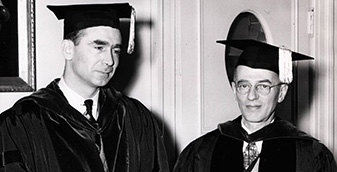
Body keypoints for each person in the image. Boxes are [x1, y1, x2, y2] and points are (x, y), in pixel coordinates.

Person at [0, 3, 169, 172]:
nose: (110, 61)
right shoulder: (23, 123)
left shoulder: (135, 117)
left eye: (116, 50)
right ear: (68, 49)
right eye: (99, 47)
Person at [173, 39, 337, 172]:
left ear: (281, 93)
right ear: (234, 89)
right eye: (244, 86)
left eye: (263, 86)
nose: (252, 96)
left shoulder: (310, 154)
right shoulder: (201, 151)